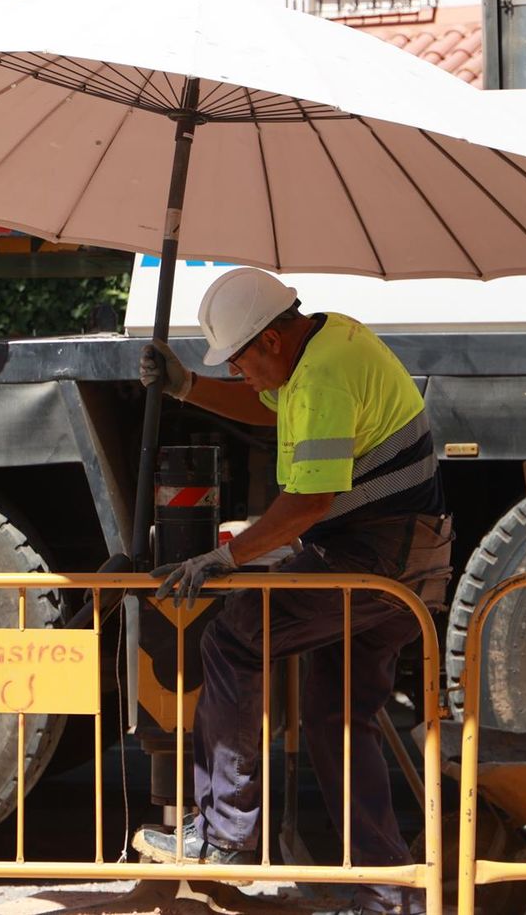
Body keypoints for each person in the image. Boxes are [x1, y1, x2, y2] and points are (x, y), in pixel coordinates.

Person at [130, 267, 452, 915]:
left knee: (235, 638)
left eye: (240, 361)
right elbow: (265, 402)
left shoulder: (325, 373)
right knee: (336, 718)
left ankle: (224, 834)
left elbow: (309, 500)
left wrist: (226, 556)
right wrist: (189, 385)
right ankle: (387, 895)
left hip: (375, 555)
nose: (241, 374)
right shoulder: (323, 346)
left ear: (272, 340)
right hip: (404, 555)